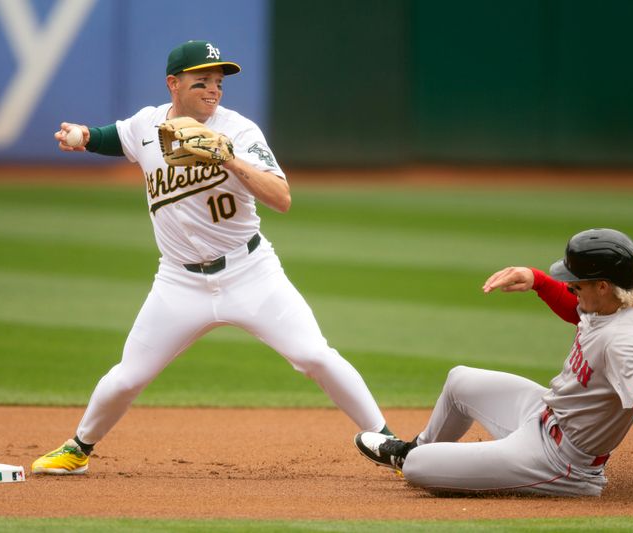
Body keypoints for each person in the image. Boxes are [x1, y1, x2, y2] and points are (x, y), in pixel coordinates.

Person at [32, 40, 393, 474]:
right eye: (202, 81)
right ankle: (78, 448)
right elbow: (115, 137)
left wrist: (230, 159)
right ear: (173, 84)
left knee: (315, 356)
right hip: (178, 283)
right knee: (129, 375)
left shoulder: (238, 131)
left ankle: (390, 445)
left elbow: (281, 198)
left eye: (218, 83)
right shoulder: (148, 124)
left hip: (250, 272)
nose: (213, 90)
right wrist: (82, 137)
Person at [354, 228, 633, 508]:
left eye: (577, 284)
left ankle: (414, 459)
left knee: (420, 468)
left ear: (603, 285)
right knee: (460, 380)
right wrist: (537, 280)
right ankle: (411, 450)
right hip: (543, 414)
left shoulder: (627, 341)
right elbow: (578, 313)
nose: (572, 289)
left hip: (560, 459)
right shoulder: (619, 304)